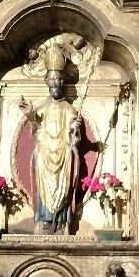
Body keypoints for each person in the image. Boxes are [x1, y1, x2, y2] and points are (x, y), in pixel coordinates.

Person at [18, 45, 82, 234]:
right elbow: (36, 134)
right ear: (47, 81)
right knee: (44, 183)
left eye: (59, 79)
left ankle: (61, 223)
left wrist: (73, 130)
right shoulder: (40, 109)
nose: (56, 83)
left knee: (64, 183)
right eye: (52, 79)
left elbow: (74, 140)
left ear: (63, 81)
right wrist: (30, 116)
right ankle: (45, 221)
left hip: (63, 158)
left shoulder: (69, 109)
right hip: (45, 157)